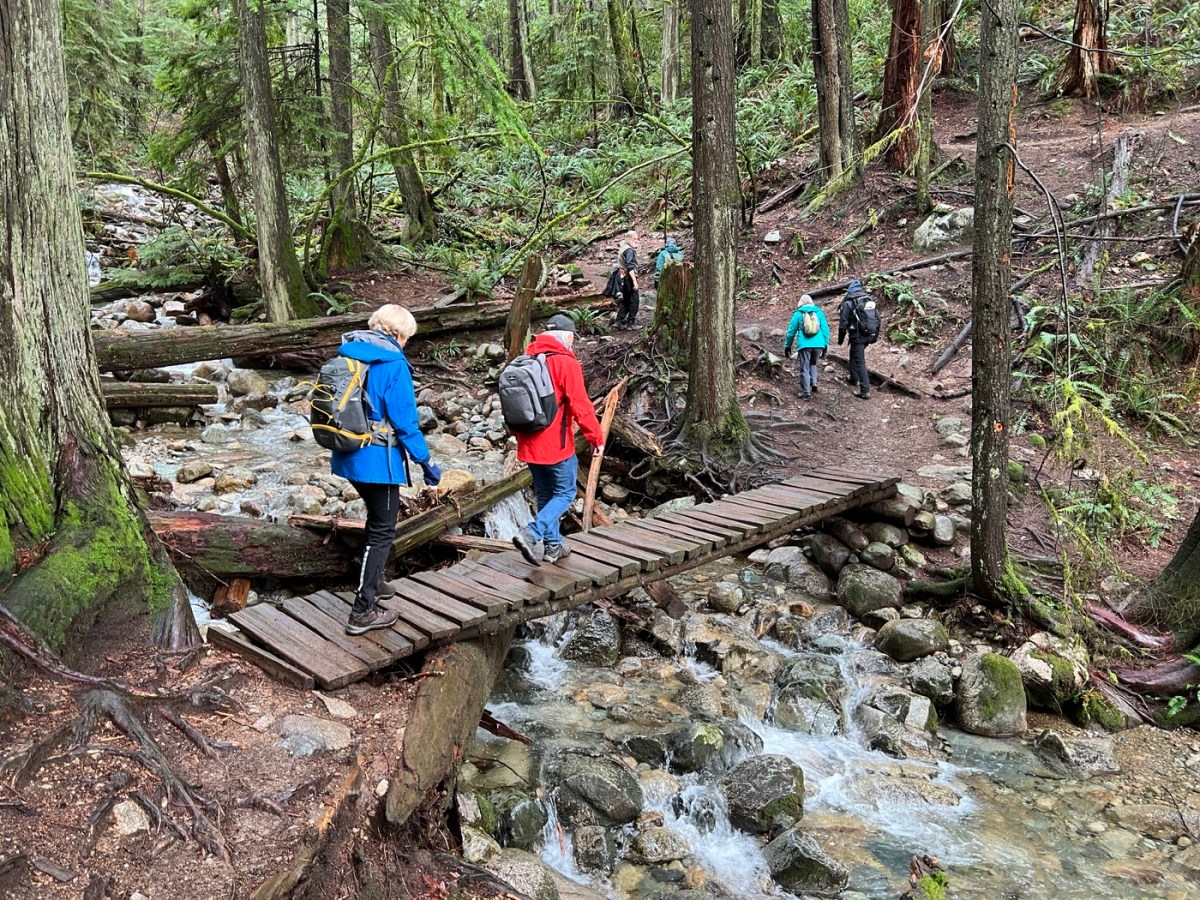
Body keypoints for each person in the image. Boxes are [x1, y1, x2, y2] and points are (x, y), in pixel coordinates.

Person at [330, 304, 441, 634]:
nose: (406, 343)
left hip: (347, 453)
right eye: (406, 337)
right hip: (377, 461)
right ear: (396, 334)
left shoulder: (348, 354)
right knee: (383, 530)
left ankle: (375, 582)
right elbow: (406, 423)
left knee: (376, 520)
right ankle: (362, 611)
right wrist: (427, 463)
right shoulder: (392, 363)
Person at [512, 314, 605, 565]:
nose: (573, 343)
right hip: (556, 444)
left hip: (528, 442)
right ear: (565, 337)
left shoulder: (525, 358)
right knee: (565, 493)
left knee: (545, 494)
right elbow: (581, 406)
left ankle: (553, 546)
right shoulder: (565, 363)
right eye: (572, 338)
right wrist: (596, 438)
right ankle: (531, 534)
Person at [783, 294, 831, 400]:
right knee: (813, 363)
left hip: (805, 345)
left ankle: (806, 392)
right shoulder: (819, 312)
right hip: (819, 344)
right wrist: (826, 344)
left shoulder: (798, 314)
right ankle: (813, 382)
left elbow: (791, 332)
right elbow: (825, 329)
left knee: (804, 367)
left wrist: (787, 345)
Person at [838, 279, 875, 400]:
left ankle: (865, 390)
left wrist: (840, 339)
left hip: (857, 335)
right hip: (869, 334)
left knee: (860, 361)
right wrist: (874, 337)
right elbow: (877, 319)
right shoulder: (867, 300)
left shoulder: (849, 302)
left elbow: (843, 323)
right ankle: (854, 378)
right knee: (854, 353)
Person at [614, 230, 641, 329]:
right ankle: (631, 323)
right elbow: (630, 266)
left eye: (637, 239)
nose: (636, 241)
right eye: (634, 239)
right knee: (634, 300)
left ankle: (618, 321)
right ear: (628, 239)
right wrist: (634, 281)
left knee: (626, 300)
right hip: (628, 278)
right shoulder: (629, 250)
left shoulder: (623, 248)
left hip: (622, 278)